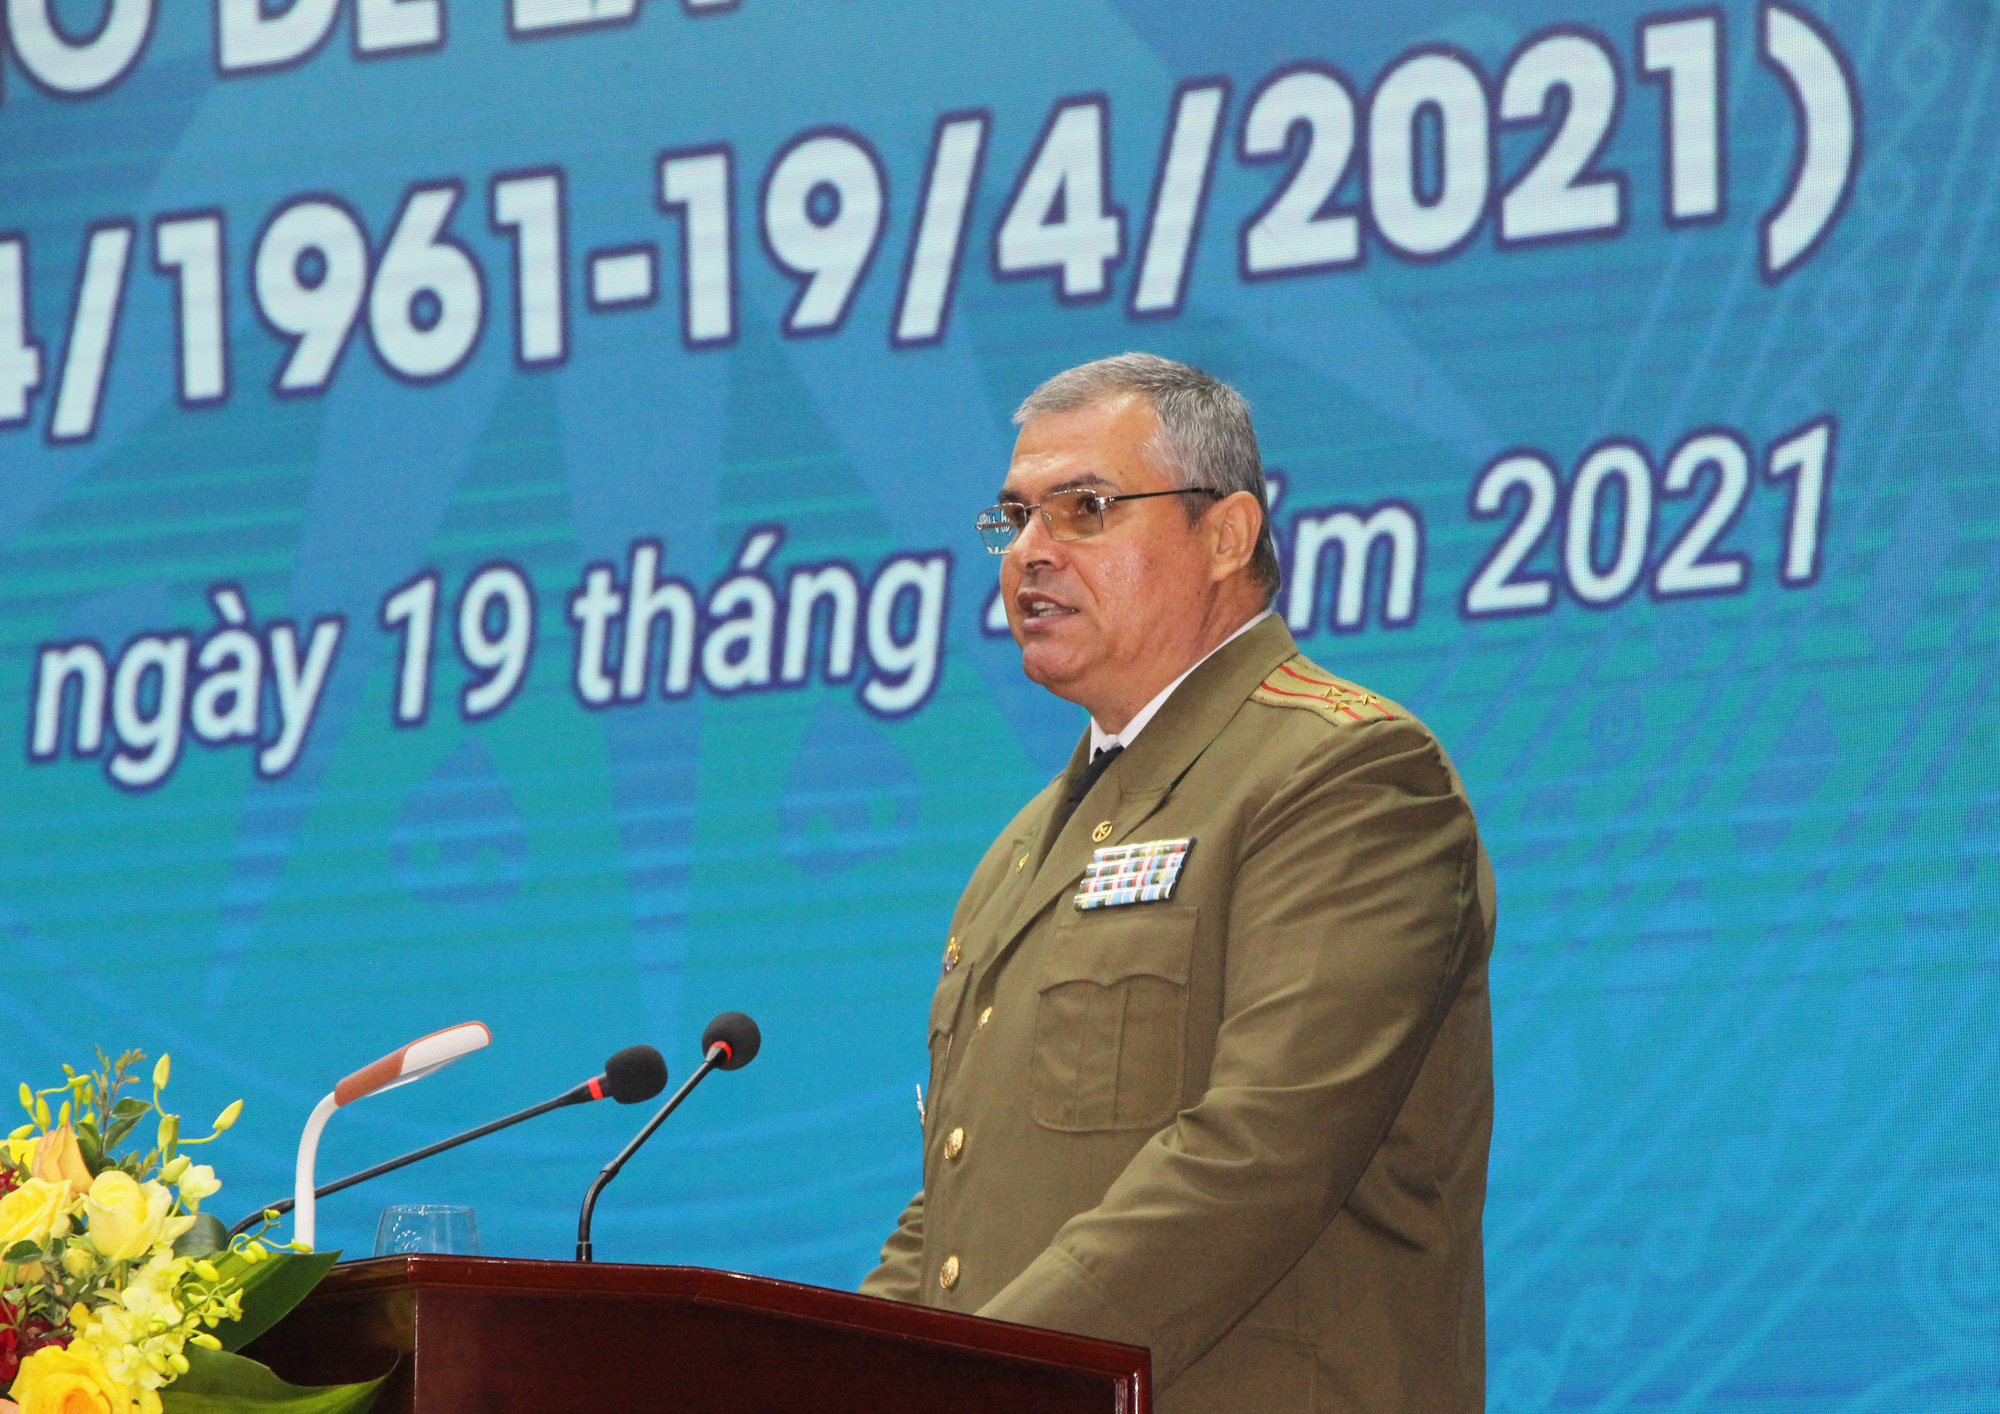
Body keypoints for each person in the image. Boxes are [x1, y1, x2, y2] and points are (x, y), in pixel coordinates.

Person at [859, 353, 1495, 1413]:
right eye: (1013, 516)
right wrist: (834, 1374)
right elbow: (953, 1207)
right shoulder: (1020, 851)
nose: (1029, 553)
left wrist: (963, 1380)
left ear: (1226, 534)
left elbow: (1256, 1157)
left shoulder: (1344, 777)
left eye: (1085, 509)